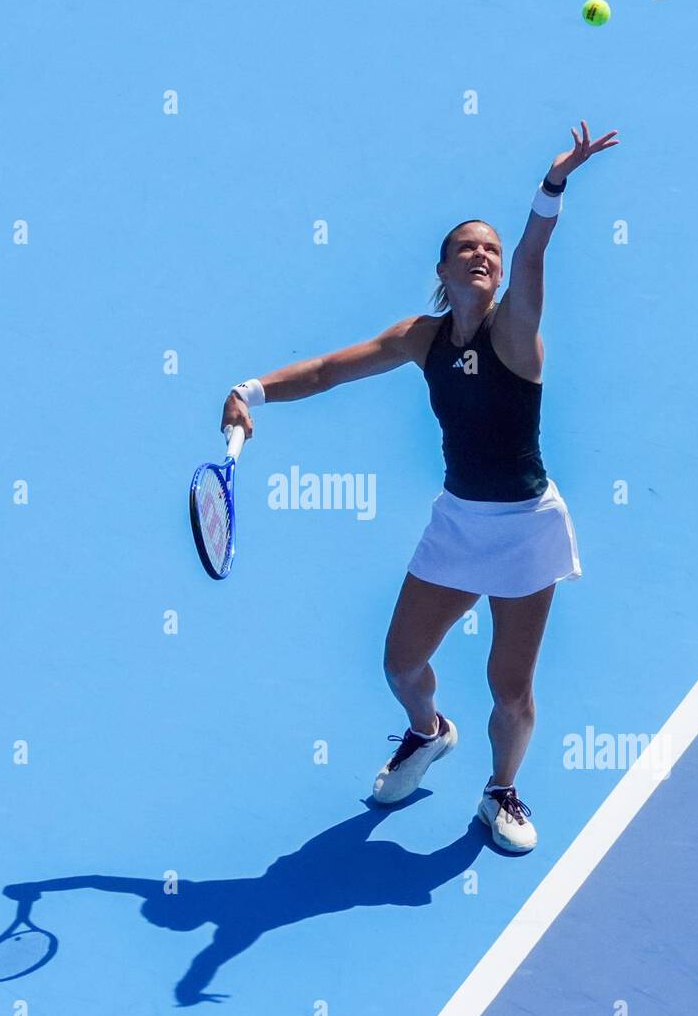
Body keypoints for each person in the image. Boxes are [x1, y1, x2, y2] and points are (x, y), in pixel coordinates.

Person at [221, 120, 619, 853]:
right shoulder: (420, 338)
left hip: (528, 528)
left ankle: (501, 791)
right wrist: (252, 390)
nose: (482, 255)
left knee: (510, 689)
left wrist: (552, 185)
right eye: (466, 246)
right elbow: (329, 370)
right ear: (442, 270)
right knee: (401, 663)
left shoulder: (515, 331)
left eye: (490, 250)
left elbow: (534, 257)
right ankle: (428, 733)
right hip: (459, 523)